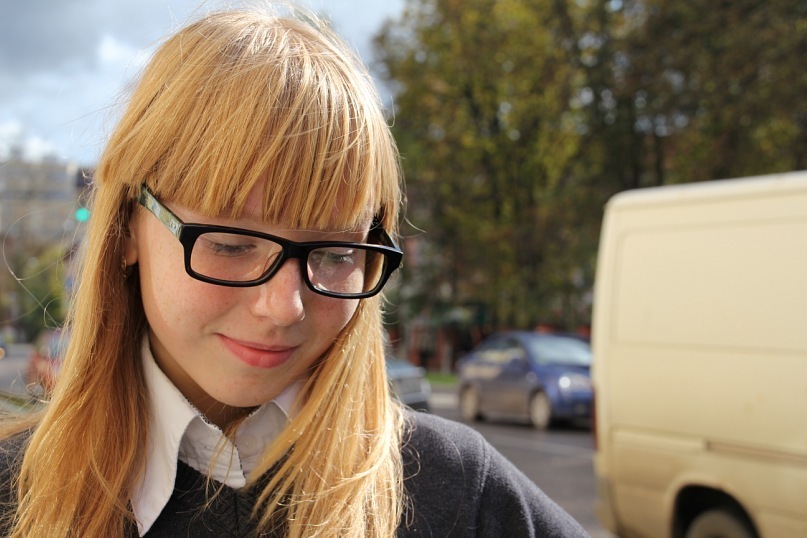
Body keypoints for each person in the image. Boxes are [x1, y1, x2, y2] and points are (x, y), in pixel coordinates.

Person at [0, 5, 588, 537]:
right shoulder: (13, 495)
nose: (285, 307)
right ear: (129, 226)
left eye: (336, 255)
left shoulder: (457, 493)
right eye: (230, 244)